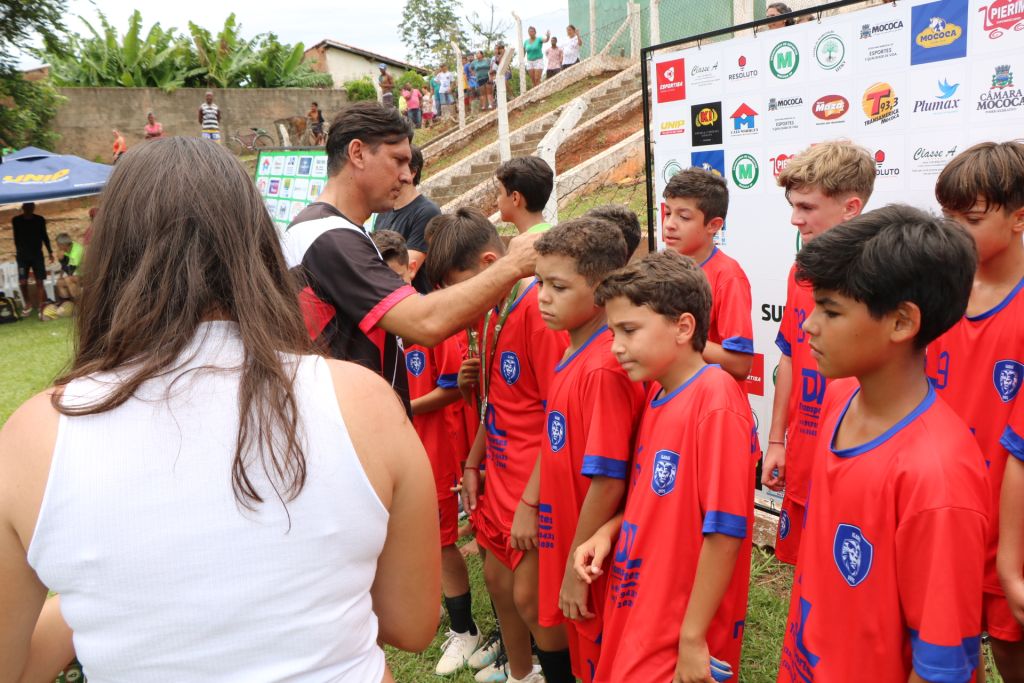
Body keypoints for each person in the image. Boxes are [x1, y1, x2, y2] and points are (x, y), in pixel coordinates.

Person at [0, 136, 441, 682]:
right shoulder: (363, 401)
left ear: (109, 255)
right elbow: (411, 624)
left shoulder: (36, 436)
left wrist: (109, 593)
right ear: (257, 247)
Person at [775, 205, 988, 682]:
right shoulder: (839, 397)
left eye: (831, 310)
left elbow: (941, 667)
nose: (808, 325)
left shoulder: (936, 476)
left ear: (901, 322)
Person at [282, 102, 541, 416]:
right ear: (358, 153)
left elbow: (382, 330)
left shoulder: (330, 230)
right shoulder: (329, 237)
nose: (407, 176)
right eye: (398, 161)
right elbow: (423, 323)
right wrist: (513, 264)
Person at [574, 249, 757, 682]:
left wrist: (692, 639)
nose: (616, 346)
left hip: (678, 625)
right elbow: (654, 500)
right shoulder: (658, 393)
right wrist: (607, 531)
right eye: (612, 332)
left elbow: (724, 532)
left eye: (629, 330)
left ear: (683, 327)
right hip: (642, 604)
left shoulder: (715, 400)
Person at [426, 208, 564, 683]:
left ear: (490, 265)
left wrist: (532, 500)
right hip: (498, 478)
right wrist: (473, 463)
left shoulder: (539, 315)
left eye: (459, 285)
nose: (456, 301)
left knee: (531, 597)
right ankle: (521, 673)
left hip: (530, 484)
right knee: (498, 583)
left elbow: (558, 419)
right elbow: (497, 404)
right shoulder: (490, 314)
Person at [514, 218, 645, 683]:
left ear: (601, 289)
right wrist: (531, 500)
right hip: (565, 530)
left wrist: (575, 568)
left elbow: (608, 479)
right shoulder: (572, 349)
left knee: (594, 648)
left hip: (589, 555)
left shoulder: (605, 368)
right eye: (539, 283)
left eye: (558, 286)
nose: (542, 297)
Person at [931, 141, 1024, 681]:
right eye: (948, 217)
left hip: (1010, 521)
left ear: (1019, 218)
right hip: (944, 509)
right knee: (945, 648)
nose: (954, 231)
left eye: (970, 219)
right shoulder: (938, 290)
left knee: (1011, 647)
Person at [373, 228, 483, 676]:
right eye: (381, 278)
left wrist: (401, 409)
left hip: (434, 449)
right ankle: (437, 611)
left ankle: (465, 629)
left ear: (410, 270)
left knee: (441, 542)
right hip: (395, 447)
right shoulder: (376, 324)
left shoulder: (429, 323)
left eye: (397, 277)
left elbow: (453, 389)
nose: (391, 287)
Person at [761, 141, 875, 565]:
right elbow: (790, 356)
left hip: (856, 458)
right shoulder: (800, 271)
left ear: (850, 207)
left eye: (807, 207)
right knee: (804, 573)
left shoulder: (884, 279)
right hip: (804, 451)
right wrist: (777, 440)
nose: (796, 219)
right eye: (793, 206)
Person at [662, 167, 754, 382]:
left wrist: (679, 335)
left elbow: (740, 364)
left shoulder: (728, 276)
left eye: (684, 217)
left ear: (714, 225)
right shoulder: (660, 268)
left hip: (708, 397)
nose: (670, 224)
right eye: (667, 213)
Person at [374, 144, 439, 295]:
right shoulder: (384, 212)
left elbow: (406, 267)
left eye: (394, 168)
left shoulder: (427, 212)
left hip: (414, 300)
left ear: (412, 172)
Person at [11, 202, 53, 319]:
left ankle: (41, 306)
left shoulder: (40, 220)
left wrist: (50, 252)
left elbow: (44, 236)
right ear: (23, 208)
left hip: (37, 256)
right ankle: (28, 304)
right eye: (27, 207)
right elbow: (16, 237)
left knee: (39, 281)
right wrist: (20, 251)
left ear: (34, 208)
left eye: (31, 207)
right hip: (22, 257)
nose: (29, 209)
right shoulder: (16, 220)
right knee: (23, 282)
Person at [495, 156, 554, 234]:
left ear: (515, 198)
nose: (496, 202)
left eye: (500, 193)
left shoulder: (523, 241)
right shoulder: (556, 234)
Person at [55, 233, 84, 301]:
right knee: (59, 283)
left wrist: (61, 260)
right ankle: (67, 303)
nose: (58, 248)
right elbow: (65, 265)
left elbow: (70, 270)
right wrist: (60, 277)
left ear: (63, 245)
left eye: (58, 245)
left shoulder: (77, 251)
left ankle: (79, 302)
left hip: (86, 274)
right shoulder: (67, 248)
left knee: (69, 280)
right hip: (77, 274)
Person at [490, 42, 513, 107]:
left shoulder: (506, 53)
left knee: (504, 81)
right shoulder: (495, 57)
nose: (498, 50)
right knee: (495, 86)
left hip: (506, 71)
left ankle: (511, 96)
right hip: (498, 73)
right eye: (497, 48)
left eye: (499, 48)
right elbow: (497, 63)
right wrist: (498, 54)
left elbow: (506, 61)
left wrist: (502, 53)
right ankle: (498, 100)